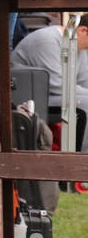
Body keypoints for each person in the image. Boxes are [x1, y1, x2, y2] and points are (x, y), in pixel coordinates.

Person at [11, 20, 88, 148]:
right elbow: (57, 85)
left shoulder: (78, 47)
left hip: (52, 95)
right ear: (83, 31)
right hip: (29, 97)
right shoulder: (46, 40)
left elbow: (85, 83)